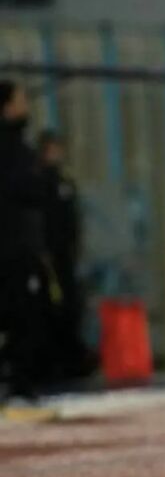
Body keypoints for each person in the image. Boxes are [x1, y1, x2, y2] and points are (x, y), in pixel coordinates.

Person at [0, 81, 49, 402]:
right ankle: (17, 382)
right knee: (21, 314)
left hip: (19, 245)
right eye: (19, 101)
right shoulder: (13, 151)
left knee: (21, 315)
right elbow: (27, 190)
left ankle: (18, 380)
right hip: (12, 247)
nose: (25, 106)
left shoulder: (20, 147)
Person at [38, 130, 93, 382]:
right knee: (54, 306)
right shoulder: (40, 180)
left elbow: (72, 216)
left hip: (66, 253)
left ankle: (72, 357)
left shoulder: (64, 179)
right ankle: (56, 360)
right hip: (49, 254)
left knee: (71, 304)